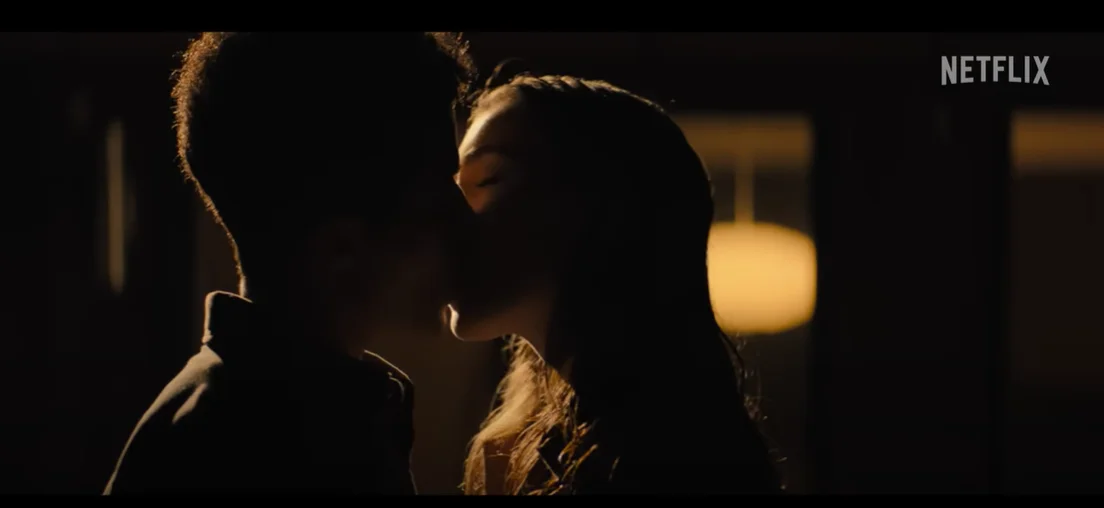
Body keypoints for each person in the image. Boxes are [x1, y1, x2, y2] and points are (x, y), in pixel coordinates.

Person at [104, 32, 475, 494]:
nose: (466, 220)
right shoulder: (269, 450)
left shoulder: (247, 415)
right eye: (439, 196)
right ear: (341, 250)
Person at [449, 67, 784, 495]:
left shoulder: (676, 460)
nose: (450, 218)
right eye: (453, 189)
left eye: (489, 179)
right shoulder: (514, 452)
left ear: (599, 210)